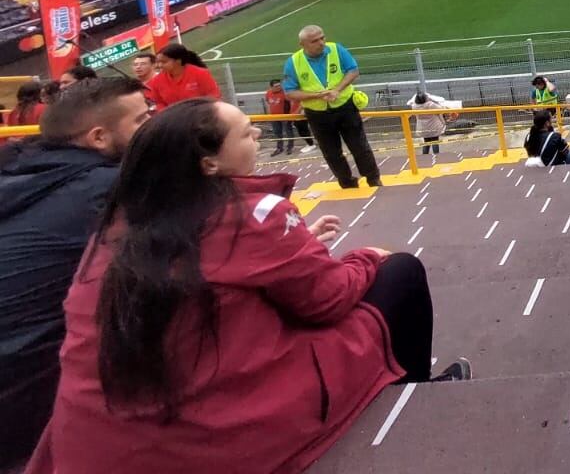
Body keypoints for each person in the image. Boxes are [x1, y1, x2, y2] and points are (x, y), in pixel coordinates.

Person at [25, 99, 469, 474]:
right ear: (208, 163)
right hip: (211, 437)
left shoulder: (117, 225)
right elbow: (328, 299)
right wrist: (367, 256)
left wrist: (297, 245)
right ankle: (411, 400)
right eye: (245, 132)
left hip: (92, 442)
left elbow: (218, 268)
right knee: (400, 271)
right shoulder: (253, 215)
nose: (257, 134)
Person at [0, 77, 150, 470]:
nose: (152, 130)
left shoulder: (19, 172)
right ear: (99, 137)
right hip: (26, 402)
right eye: (142, 121)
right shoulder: (110, 188)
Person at [282, 25, 381, 190]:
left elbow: (353, 70)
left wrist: (337, 90)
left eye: (322, 38)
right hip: (317, 114)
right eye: (315, 41)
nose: (321, 43)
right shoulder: (293, 62)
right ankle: (347, 183)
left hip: (345, 107)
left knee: (360, 146)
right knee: (331, 153)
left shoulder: (336, 49)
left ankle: (373, 179)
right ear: (302, 44)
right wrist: (316, 96)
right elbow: (290, 92)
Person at [144, 43, 221, 108]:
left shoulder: (201, 73)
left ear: (178, 61)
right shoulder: (157, 81)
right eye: (158, 62)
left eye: (164, 62)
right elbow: (159, 103)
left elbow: (214, 96)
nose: (159, 65)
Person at [410, 90, 460, 159]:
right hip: (433, 126)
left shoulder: (414, 106)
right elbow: (440, 108)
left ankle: (424, 157)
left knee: (426, 142)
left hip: (422, 127)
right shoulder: (430, 104)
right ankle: (437, 156)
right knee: (435, 141)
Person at [263, 79, 294, 156]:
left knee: (288, 131)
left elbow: (291, 102)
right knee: (277, 132)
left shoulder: (285, 93)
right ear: (271, 87)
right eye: (276, 86)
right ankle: (279, 148)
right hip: (274, 117)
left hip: (284, 116)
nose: (279, 87)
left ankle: (290, 147)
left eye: (280, 85)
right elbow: (268, 103)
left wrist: (290, 115)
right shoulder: (268, 93)